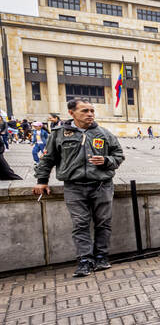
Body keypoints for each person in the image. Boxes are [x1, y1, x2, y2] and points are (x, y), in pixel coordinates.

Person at [33, 98, 125, 277]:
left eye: (92, 110)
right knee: (80, 224)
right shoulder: (59, 134)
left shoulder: (103, 133)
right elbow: (48, 158)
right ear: (71, 113)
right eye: (84, 111)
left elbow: (119, 155)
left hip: (101, 185)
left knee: (103, 223)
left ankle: (101, 256)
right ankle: (84, 260)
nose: (90, 114)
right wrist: (42, 180)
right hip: (74, 187)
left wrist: (107, 161)